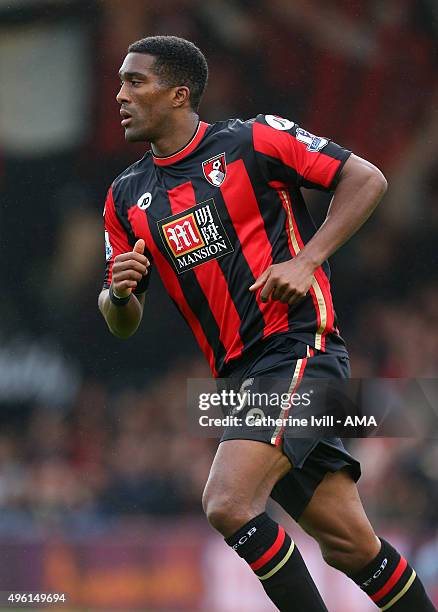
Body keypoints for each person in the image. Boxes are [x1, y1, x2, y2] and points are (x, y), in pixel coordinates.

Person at [98, 35, 436, 612]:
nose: (120, 95)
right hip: (240, 379)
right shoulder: (127, 197)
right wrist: (120, 293)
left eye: (136, 82)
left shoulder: (253, 139)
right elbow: (120, 323)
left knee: (228, 502)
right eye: (121, 82)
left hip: (300, 349)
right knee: (352, 546)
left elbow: (367, 179)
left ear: (180, 95)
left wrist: (308, 261)